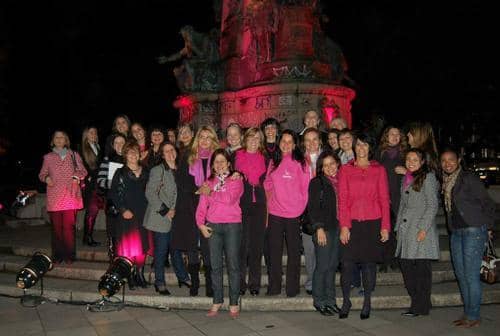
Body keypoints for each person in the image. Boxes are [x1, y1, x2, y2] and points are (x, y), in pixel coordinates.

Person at [441, 147, 495, 328]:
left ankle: (474, 315)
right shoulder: (447, 181)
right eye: (444, 161)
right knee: (461, 274)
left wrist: (488, 226)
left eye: (451, 159)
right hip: (456, 232)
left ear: (458, 161)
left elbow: (487, 202)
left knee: (471, 276)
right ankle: (468, 312)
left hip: (473, 230)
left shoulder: (468, 178)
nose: (447, 163)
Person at [338, 133, 390, 319]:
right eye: (358, 145)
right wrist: (344, 225)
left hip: (372, 223)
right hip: (351, 223)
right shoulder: (345, 169)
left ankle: (367, 301)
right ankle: (346, 300)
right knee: (346, 264)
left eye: (365, 145)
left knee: (368, 265)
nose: (361, 149)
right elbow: (342, 200)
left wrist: (385, 226)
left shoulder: (379, 170)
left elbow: (384, 199)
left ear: (370, 148)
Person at [171, 125, 219, 297]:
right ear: (197, 139)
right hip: (190, 206)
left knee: (208, 247)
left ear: (213, 139)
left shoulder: (218, 158)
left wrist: (210, 188)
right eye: (202, 137)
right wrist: (198, 189)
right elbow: (181, 180)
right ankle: (195, 284)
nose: (205, 140)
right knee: (192, 246)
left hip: (212, 207)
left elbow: (223, 178)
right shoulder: (188, 156)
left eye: (208, 137)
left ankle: (210, 286)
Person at [196, 149, 244, 317]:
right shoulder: (208, 182)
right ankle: (217, 300)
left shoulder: (236, 179)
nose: (220, 164)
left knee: (233, 265)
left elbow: (230, 199)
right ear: (213, 166)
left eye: (223, 161)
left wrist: (211, 193)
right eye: (216, 161)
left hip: (232, 226)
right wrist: (200, 224)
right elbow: (202, 205)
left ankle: (233, 302)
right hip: (214, 226)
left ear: (229, 163)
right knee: (215, 266)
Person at [264, 130, 310, 297]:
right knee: (274, 252)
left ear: (295, 144)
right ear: (279, 142)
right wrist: (271, 199)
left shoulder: (301, 162)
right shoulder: (274, 161)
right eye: (283, 140)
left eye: (290, 141)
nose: (286, 144)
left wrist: (299, 208)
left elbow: (305, 189)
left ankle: (292, 288)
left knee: (294, 253)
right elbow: (267, 183)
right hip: (276, 212)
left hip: (293, 214)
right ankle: (274, 286)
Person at [396, 149, 440, 317]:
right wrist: (397, 227)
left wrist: (423, 228)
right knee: (407, 268)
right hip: (406, 229)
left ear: (422, 162)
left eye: (415, 159)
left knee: (421, 271)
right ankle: (419, 302)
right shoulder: (407, 178)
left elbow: (432, 205)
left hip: (421, 230)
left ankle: (420, 306)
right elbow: (403, 204)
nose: (411, 162)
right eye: (408, 159)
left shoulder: (427, 177)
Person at [39, 130, 87, 264]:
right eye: (56, 137)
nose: (59, 139)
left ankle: (69, 256)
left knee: (68, 228)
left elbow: (83, 170)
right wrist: (46, 178)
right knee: (56, 229)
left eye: (62, 137)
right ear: (53, 140)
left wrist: (76, 176)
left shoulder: (73, 155)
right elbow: (42, 174)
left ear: (66, 140)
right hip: (54, 197)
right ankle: (57, 255)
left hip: (70, 196)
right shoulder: (48, 157)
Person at [109, 141, 150, 289]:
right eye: (130, 152)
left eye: (135, 152)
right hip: (127, 214)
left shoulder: (146, 170)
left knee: (142, 246)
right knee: (129, 247)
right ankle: (130, 275)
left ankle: (140, 273)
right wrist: (122, 209)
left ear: (140, 154)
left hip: (144, 213)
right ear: (125, 155)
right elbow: (114, 193)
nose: (133, 155)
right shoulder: (120, 172)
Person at [234, 127, 267, 296]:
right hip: (242, 205)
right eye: (251, 138)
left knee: (256, 246)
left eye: (257, 138)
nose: (254, 141)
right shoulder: (237, 157)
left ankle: (255, 283)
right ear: (245, 139)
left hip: (260, 206)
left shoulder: (265, 158)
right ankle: (240, 282)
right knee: (242, 246)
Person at [308, 150, 341, 316]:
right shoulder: (317, 183)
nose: (329, 167)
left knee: (332, 266)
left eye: (332, 163)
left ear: (338, 163)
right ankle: (319, 300)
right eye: (325, 165)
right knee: (322, 266)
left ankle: (331, 300)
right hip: (324, 230)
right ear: (321, 167)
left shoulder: (342, 181)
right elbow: (313, 208)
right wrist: (319, 228)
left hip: (338, 229)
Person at [143, 141, 178, 296]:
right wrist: (166, 210)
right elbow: (150, 193)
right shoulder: (159, 170)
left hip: (177, 217)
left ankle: (183, 277)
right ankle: (159, 282)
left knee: (175, 250)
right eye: (166, 151)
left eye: (172, 149)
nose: (170, 153)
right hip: (161, 217)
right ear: (162, 155)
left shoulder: (180, 169)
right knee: (161, 251)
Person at [376, 126, 408, 272]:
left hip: (400, 198)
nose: (395, 136)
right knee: (383, 229)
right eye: (391, 134)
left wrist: (406, 172)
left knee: (398, 230)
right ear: (386, 137)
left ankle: (396, 259)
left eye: (397, 134)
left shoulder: (406, 154)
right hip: (381, 198)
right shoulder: (379, 154)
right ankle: (384, 260)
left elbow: (418, 174)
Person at [97, 134, 126, 260]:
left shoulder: (131, 158)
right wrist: (115, 183)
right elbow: (100, 181)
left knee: (126, 234)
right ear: (113, 145)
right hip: (113, 203)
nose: (119, 145)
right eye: (116, 143)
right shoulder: (107, 160)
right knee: (113, 233)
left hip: (128, 202)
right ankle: (114, 259)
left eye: (122, 142)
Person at [302, 128, 323, 295]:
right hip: (307, 210)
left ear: (320, 141)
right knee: (309, 249)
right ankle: (311, 281)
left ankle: (322, 280)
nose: (311, 143)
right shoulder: (300, 161)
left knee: (324, 249)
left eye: (314, 139)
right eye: (307, 140)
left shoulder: (328, 159)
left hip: (325, 208)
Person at [80, 126, 104, 247]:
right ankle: (87, 237)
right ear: (86, 134)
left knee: (93, 211)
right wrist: (87, 176)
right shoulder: (82, 149)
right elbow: (81, 166)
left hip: (98, 184)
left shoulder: (98, 146)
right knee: (92, 211)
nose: (93, 134)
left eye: (95, 132)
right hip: (90, 185)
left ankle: (87, 236)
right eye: (91, 132)